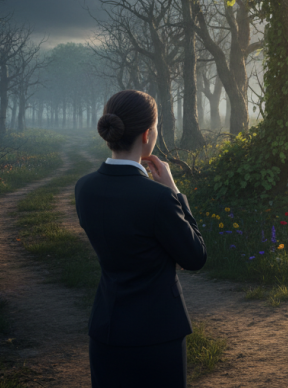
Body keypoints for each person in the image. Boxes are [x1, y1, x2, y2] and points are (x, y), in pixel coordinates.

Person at [76, 89, 207, 388]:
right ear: (147, 135)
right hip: (158, 335)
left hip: (106, 329)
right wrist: (174, 192)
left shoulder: (83, 189)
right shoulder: (159, 198)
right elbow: (195, 257)